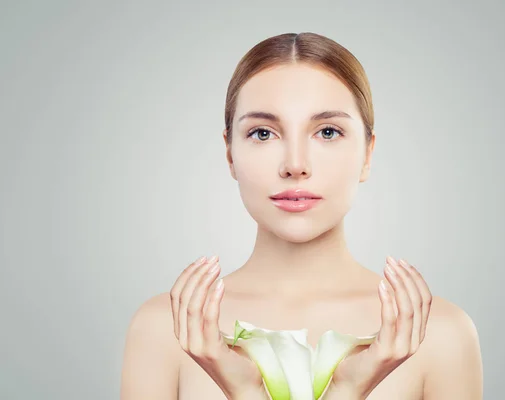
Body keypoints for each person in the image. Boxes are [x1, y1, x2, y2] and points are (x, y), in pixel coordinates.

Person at [120, 32, 483, 400]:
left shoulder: (438, 334)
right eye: (263, 133)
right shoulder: (166, 330)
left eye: (327, 132)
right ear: (230, 154)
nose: (295, 165)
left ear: (368, 155)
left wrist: (348, 388)